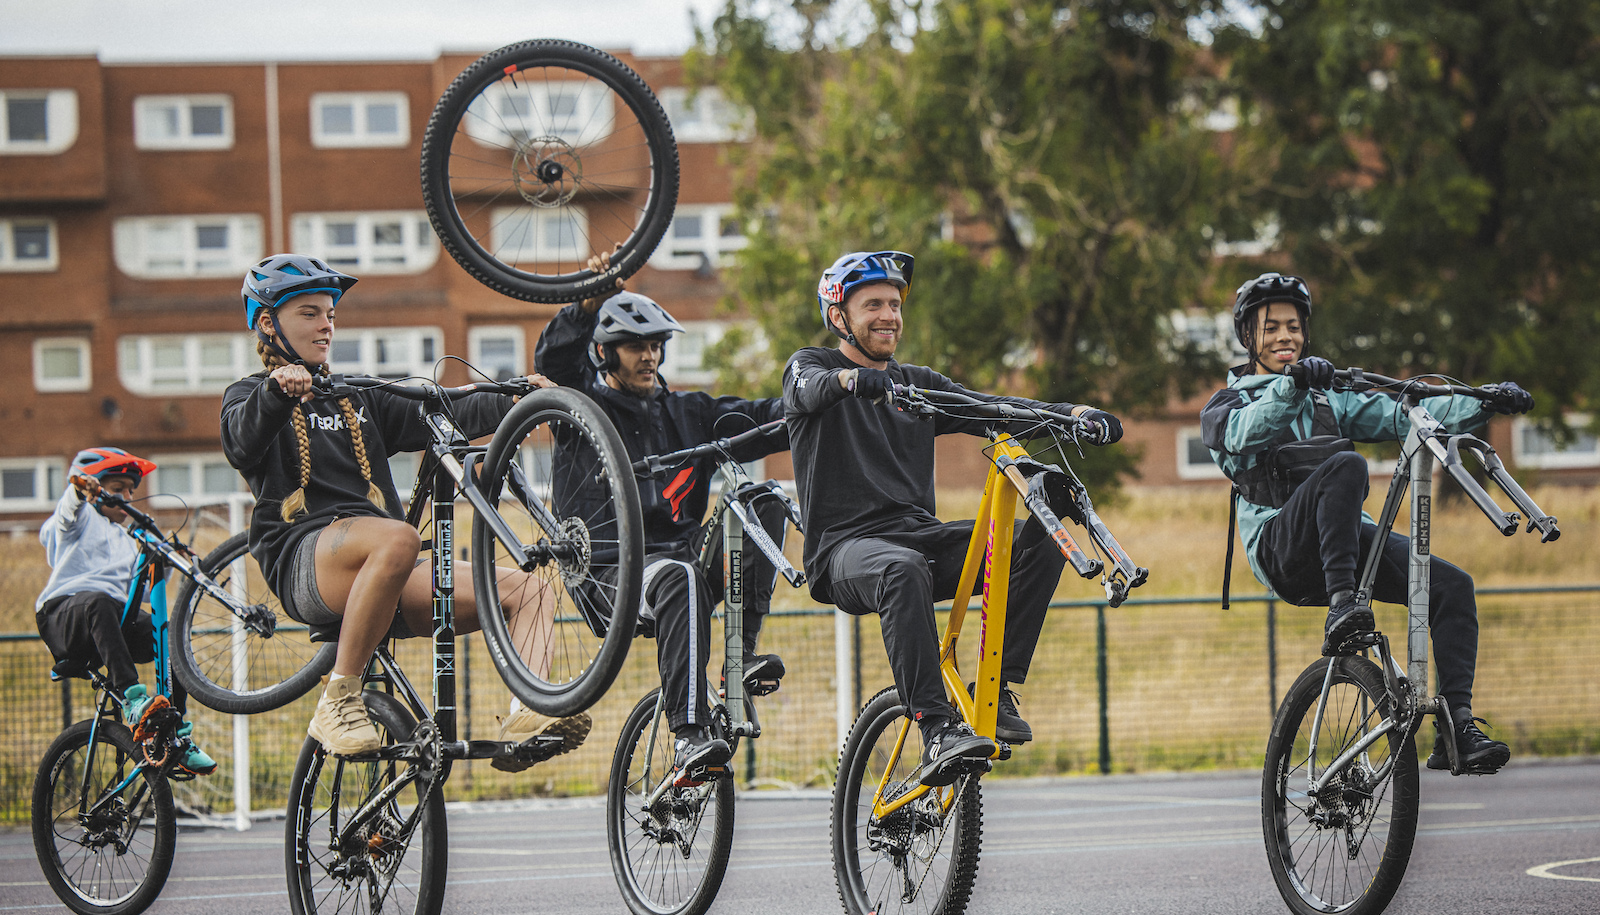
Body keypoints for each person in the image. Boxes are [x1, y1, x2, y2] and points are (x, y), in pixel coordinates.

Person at [783, 250, 1125, 786]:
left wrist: (1071, 416)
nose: (888, 315)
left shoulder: (914, 382)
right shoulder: (813, 366)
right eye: (872, 304)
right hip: (845, 553)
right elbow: (807, 390)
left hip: (919, 538)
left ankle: (998, 686)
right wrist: (852, 382)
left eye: (895, 304)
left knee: (1041, 535)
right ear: (837, 316)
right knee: (902, 569)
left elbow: (989, 408)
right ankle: (936, 727)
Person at [221, 254, 573, 769]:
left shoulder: (359, 398)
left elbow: (448, 409)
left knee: (528, 589)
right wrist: (276, 393)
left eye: (330, 315)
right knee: (398, 536)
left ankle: (529, 717)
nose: (325, 325)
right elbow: (240, 440)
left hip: (386, 566)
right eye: (309, 314)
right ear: (268, 323)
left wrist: (515, 399)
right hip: (305, 564)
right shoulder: (249, 394)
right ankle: (337, 698)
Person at [1200, 271, 1532, 774]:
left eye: (1293, 327)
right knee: (1347, 465)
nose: (1284, 337)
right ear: (1249, 337)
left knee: (1451, 586)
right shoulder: (1226, 405)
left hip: (1347, 545)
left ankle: (1455, 726)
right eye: (1271, 329)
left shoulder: (1330, 395)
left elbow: (1406, 413)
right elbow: (1248, 433)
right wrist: (1290, 386)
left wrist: (1482, 403)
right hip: (1280, 548)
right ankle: (1343, 608)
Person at [534, 263, 790, 778]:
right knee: (680, 577)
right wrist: (584, 307)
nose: (649, 355)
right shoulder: (580, 411)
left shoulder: (686, 411)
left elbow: (768, 420)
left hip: (683, 560)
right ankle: (688, 735)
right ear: (606, 353)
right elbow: (555, 364)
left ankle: (738, 666)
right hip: (610, 574)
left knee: (766, 498)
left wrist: (825, 397)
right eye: (635, 346)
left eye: (656, 345)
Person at [36, 448, 216, 774]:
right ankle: (133, 700)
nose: (127, 498)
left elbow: (142, 592)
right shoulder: (78, 520)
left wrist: (164, 561)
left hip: (110, 621)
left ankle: (173, 732)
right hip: (64, 617)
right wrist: (78, 491)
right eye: (117, 489)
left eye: (131, 491)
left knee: (170, 635)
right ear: (93, 489)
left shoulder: (125, 537)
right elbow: (64, 516)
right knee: (99, 600)